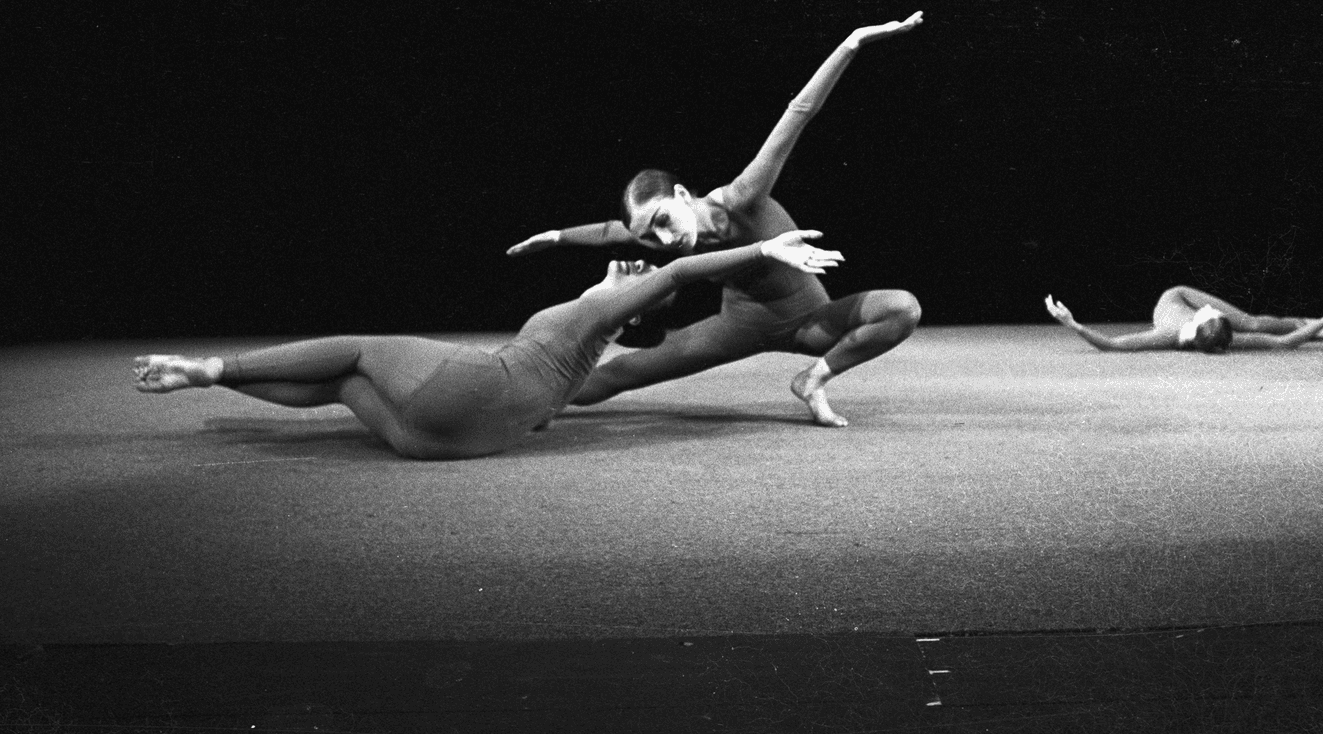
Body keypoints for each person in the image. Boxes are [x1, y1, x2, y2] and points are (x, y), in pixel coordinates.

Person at [506, 12, 925, 427]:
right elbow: (609, 232)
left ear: (683, 195)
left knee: (901, 309)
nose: (663, 240)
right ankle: (516, 400)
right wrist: (558, 236)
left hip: (809, 323)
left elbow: (798, 113)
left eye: (663, 220)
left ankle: (813, 381)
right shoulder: (658, 237)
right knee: (616, 377)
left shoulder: (744, 197)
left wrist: (851, 43)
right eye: (649, 235)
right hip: (738, 327)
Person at [133, 231, 842, 460]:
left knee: (360, 347)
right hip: (446, 442)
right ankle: (216, 379)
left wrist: (766, 247)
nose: (634, 272)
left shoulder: (589, 325)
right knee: (348, 385)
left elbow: (682, 269)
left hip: (477, 385)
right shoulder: (583, 342)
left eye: (634, 282)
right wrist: (607, 275)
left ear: (626, 316)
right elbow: (604, 293)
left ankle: (211, 369)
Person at [1044, 285, 1323, 352]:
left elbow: (1112, 345)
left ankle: (1313, 321)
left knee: (1252, 321)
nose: (1214, 310)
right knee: (1255, 327)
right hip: (1179, 302)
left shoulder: (1182, 333)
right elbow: (1284, 344)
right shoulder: (1170, 336)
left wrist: (1074, 324)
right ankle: (1320, 323)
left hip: (1179, 296)